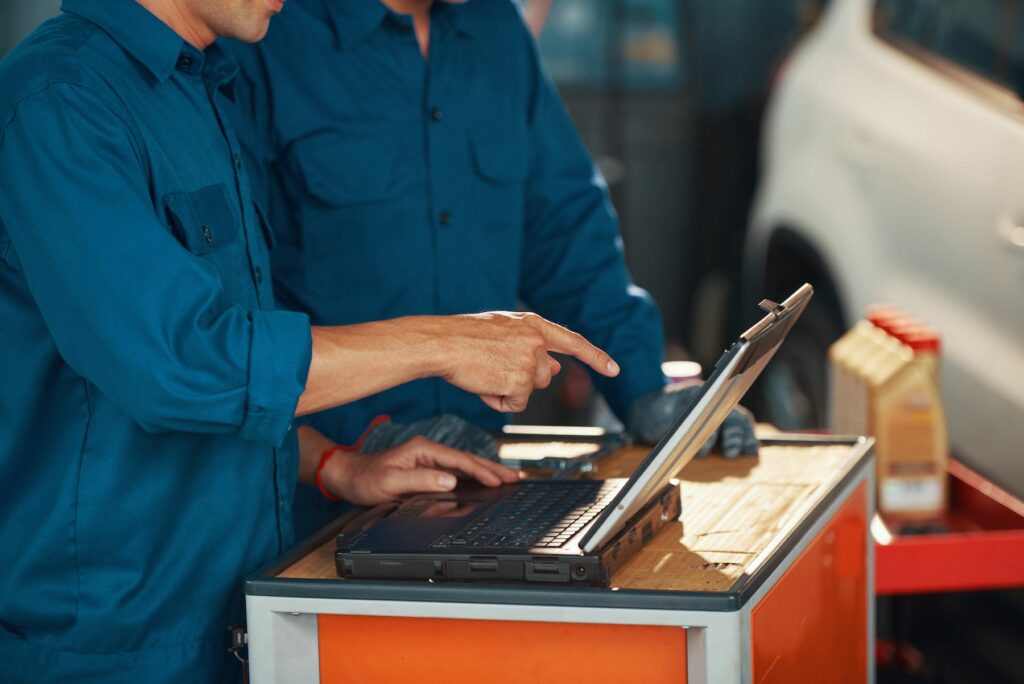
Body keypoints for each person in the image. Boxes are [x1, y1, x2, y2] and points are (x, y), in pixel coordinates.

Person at [0, 0, 619, 681]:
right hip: (115, 645)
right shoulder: (58, 103)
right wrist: (442, 343)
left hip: (242, 615)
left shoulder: (203, 87)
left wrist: (332, 465)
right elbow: (184, 364)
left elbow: (235, 383)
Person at [224, 0, 760, 538]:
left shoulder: (495, 27)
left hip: (479, 482)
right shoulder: (263, 36)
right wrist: (348, 443)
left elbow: (565, 231)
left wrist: (643, 389)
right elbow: (234, 314)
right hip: (315, 502)